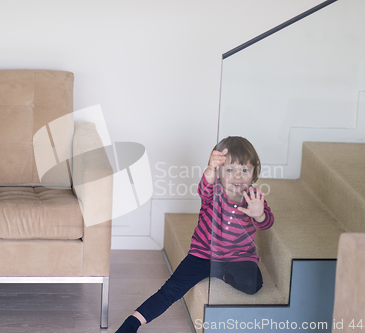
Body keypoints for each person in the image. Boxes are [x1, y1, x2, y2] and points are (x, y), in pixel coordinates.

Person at [115, 136, 274, 333]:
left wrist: (259, 214)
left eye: (244, 170)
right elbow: (204, 187)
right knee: (171, 289)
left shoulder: (253, 197)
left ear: (253, 173)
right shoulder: (213, 192)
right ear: (219, 173)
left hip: (238, 257)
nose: (238, 177)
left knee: (254, 285)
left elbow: (267, 223)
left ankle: (223, 275)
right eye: (230, 170)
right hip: (202, 255)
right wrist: (210, 168)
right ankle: (133, 321)